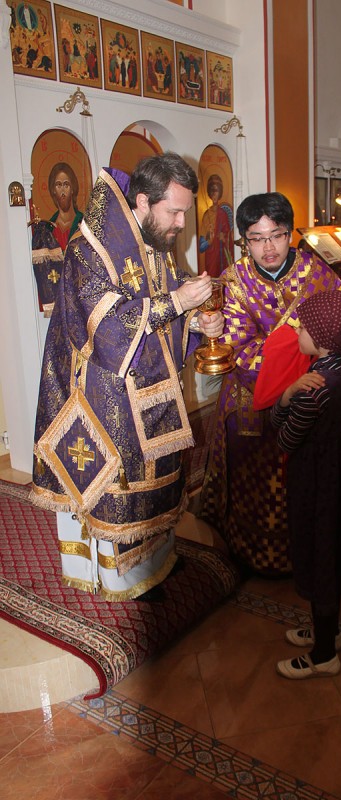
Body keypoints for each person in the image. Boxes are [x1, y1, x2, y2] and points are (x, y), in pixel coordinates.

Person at [30, 152, 223, 601]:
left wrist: (194, 323)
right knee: (120, 484)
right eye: (173, 211)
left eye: (184, 212)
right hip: (103, 394)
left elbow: (158, 320)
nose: (180, 222)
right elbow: (109, 329)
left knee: (158, 478)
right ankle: (115, 576)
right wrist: (178, 304)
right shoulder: (89, 250)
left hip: (151, 389)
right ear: (142, 200)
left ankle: (153, 562)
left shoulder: (156, 246)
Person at [199, 192, 341, 575]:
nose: (268, 248)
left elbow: (340, 328)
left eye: (277, 235)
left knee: (304, 476)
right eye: (256, 238)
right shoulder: (234, 281)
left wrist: (306, 361)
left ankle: (304, 551)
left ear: (290, 234)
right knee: (253, 479)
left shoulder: (318, 274)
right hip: (250, 400)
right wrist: (298, 354)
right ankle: (249, 554)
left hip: (308, 396)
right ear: (244, 241)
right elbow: (237, 346)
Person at [271, 291, 341, 678]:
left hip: (318, 482)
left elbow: (283, 438)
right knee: (334, 549)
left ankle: (324, 654)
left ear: (322, 337)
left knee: (320, 554)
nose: (297, 329)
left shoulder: (313, 388)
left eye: (303, 326)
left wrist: (284, 397)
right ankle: (327, 632)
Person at [31, 162, 84, 317]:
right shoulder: (46, 232)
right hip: (60, 308)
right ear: (53, 190)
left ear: (73, 189)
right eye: (58, 185)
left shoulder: (85, 225)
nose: (62, 190)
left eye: (66, 185)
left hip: (82, 304)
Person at [199, 174, 233, 277]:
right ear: (209, 193)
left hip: (221, 253)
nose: (214, 194)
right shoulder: (206, 215)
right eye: (212, 191)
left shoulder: (222, 213)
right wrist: (208, 240)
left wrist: (223, 237)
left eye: (217, 191)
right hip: (210, 255)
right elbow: (201, 246)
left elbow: (228, 235)